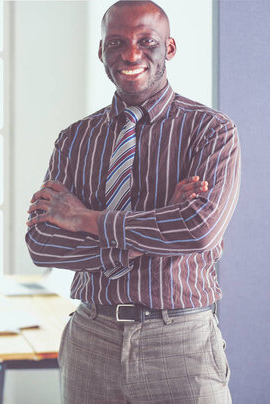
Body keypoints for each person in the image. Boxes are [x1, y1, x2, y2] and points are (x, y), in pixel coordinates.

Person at [25, 1, 240, 403]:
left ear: (169, 48)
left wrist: (84, 218)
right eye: (117, 42)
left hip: (180, 344)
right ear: (102, 50)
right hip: (91, 338)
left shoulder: (211, 131)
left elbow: (197, 231)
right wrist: (151, 232)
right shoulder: (74, 139)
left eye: (147, 41)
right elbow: (42, 244)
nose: (131, 54)